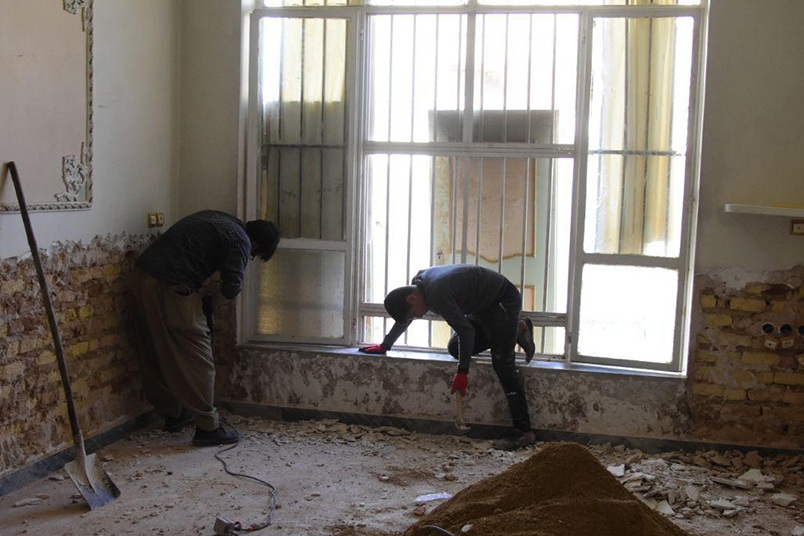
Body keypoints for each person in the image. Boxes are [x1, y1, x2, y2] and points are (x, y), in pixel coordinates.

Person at [132, 210, 279, 446]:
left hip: (143, 277)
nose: (250, 256)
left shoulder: (221, 219)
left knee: (157, 348)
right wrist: (211, 303)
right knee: (198, 357)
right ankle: (207, 428)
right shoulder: (240, 240)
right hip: (172, 284)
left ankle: (174, 413)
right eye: (254, 255)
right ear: (256, 245)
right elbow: (232, 286)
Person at [359, 264, 537, 450]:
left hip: (502, 301)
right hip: (480, 307)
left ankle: (524, 432)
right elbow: (407, 319)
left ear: (412, 298)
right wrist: (385, 345)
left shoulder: (437, 293)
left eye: (413, 313)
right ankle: (515, 330)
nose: (418, 316)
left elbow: (466, 332)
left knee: (502, 362)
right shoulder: (419, 286)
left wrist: (462, 372)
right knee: (455, 348)